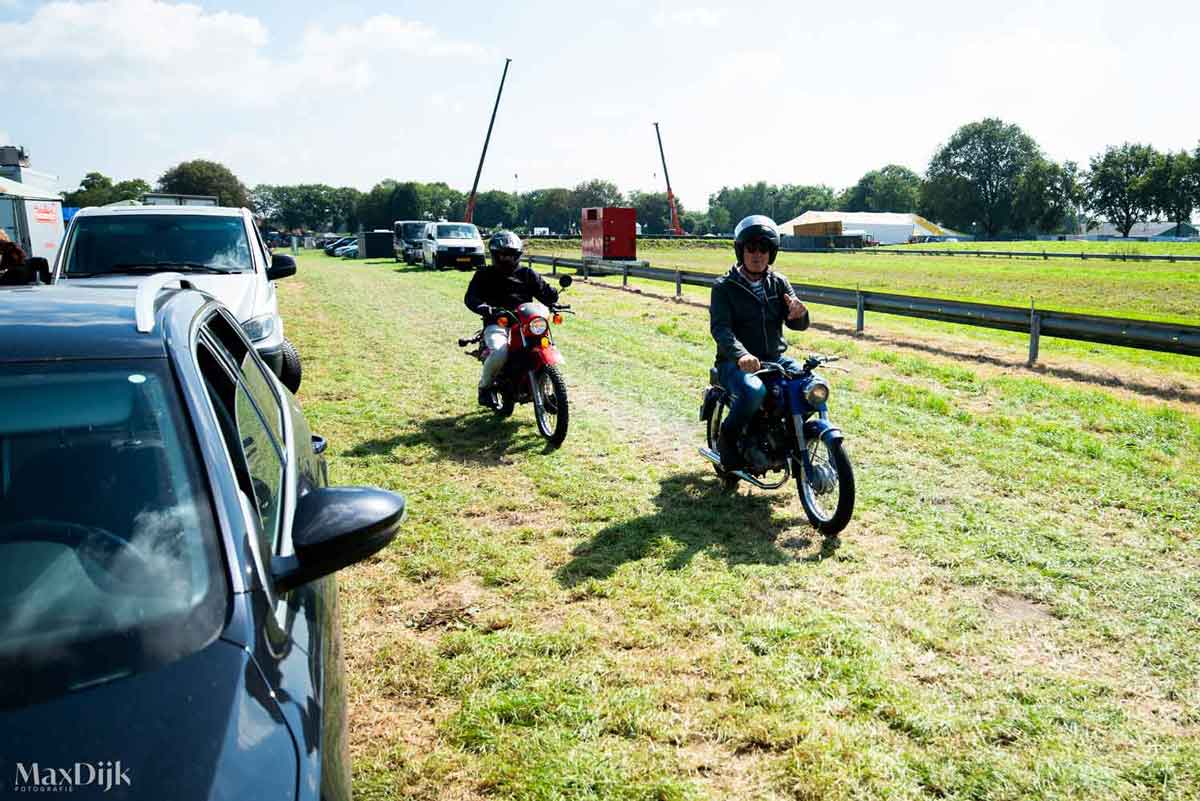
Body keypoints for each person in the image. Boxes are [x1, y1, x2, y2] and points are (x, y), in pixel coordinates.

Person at [709, 214, 810, 470]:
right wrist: (741, 355)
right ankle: (728, 439)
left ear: (772, 252)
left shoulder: (779, 283)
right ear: (740, 250)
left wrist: (800, 314)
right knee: (754, 391)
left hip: (775, 358)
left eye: (764, 248)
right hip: (734, 363)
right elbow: (721, 329)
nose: (757, 254)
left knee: (810, 387)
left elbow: (795, 323)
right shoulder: (724, 287)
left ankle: (788, 439)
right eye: (751, 248)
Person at [464, 230, 559, 407]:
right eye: (502, 255)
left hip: (525, 323)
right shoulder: (483, 275)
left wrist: (554, 298)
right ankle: (484, 388)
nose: (507, 259)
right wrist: (483, 308)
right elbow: (470, 298)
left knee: (543, 346)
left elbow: (544, 292)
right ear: (494, 255)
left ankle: (546, 391)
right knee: (500, 352)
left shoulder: (527, 274)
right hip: (498, 323)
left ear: (517, 255)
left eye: (511, 255)